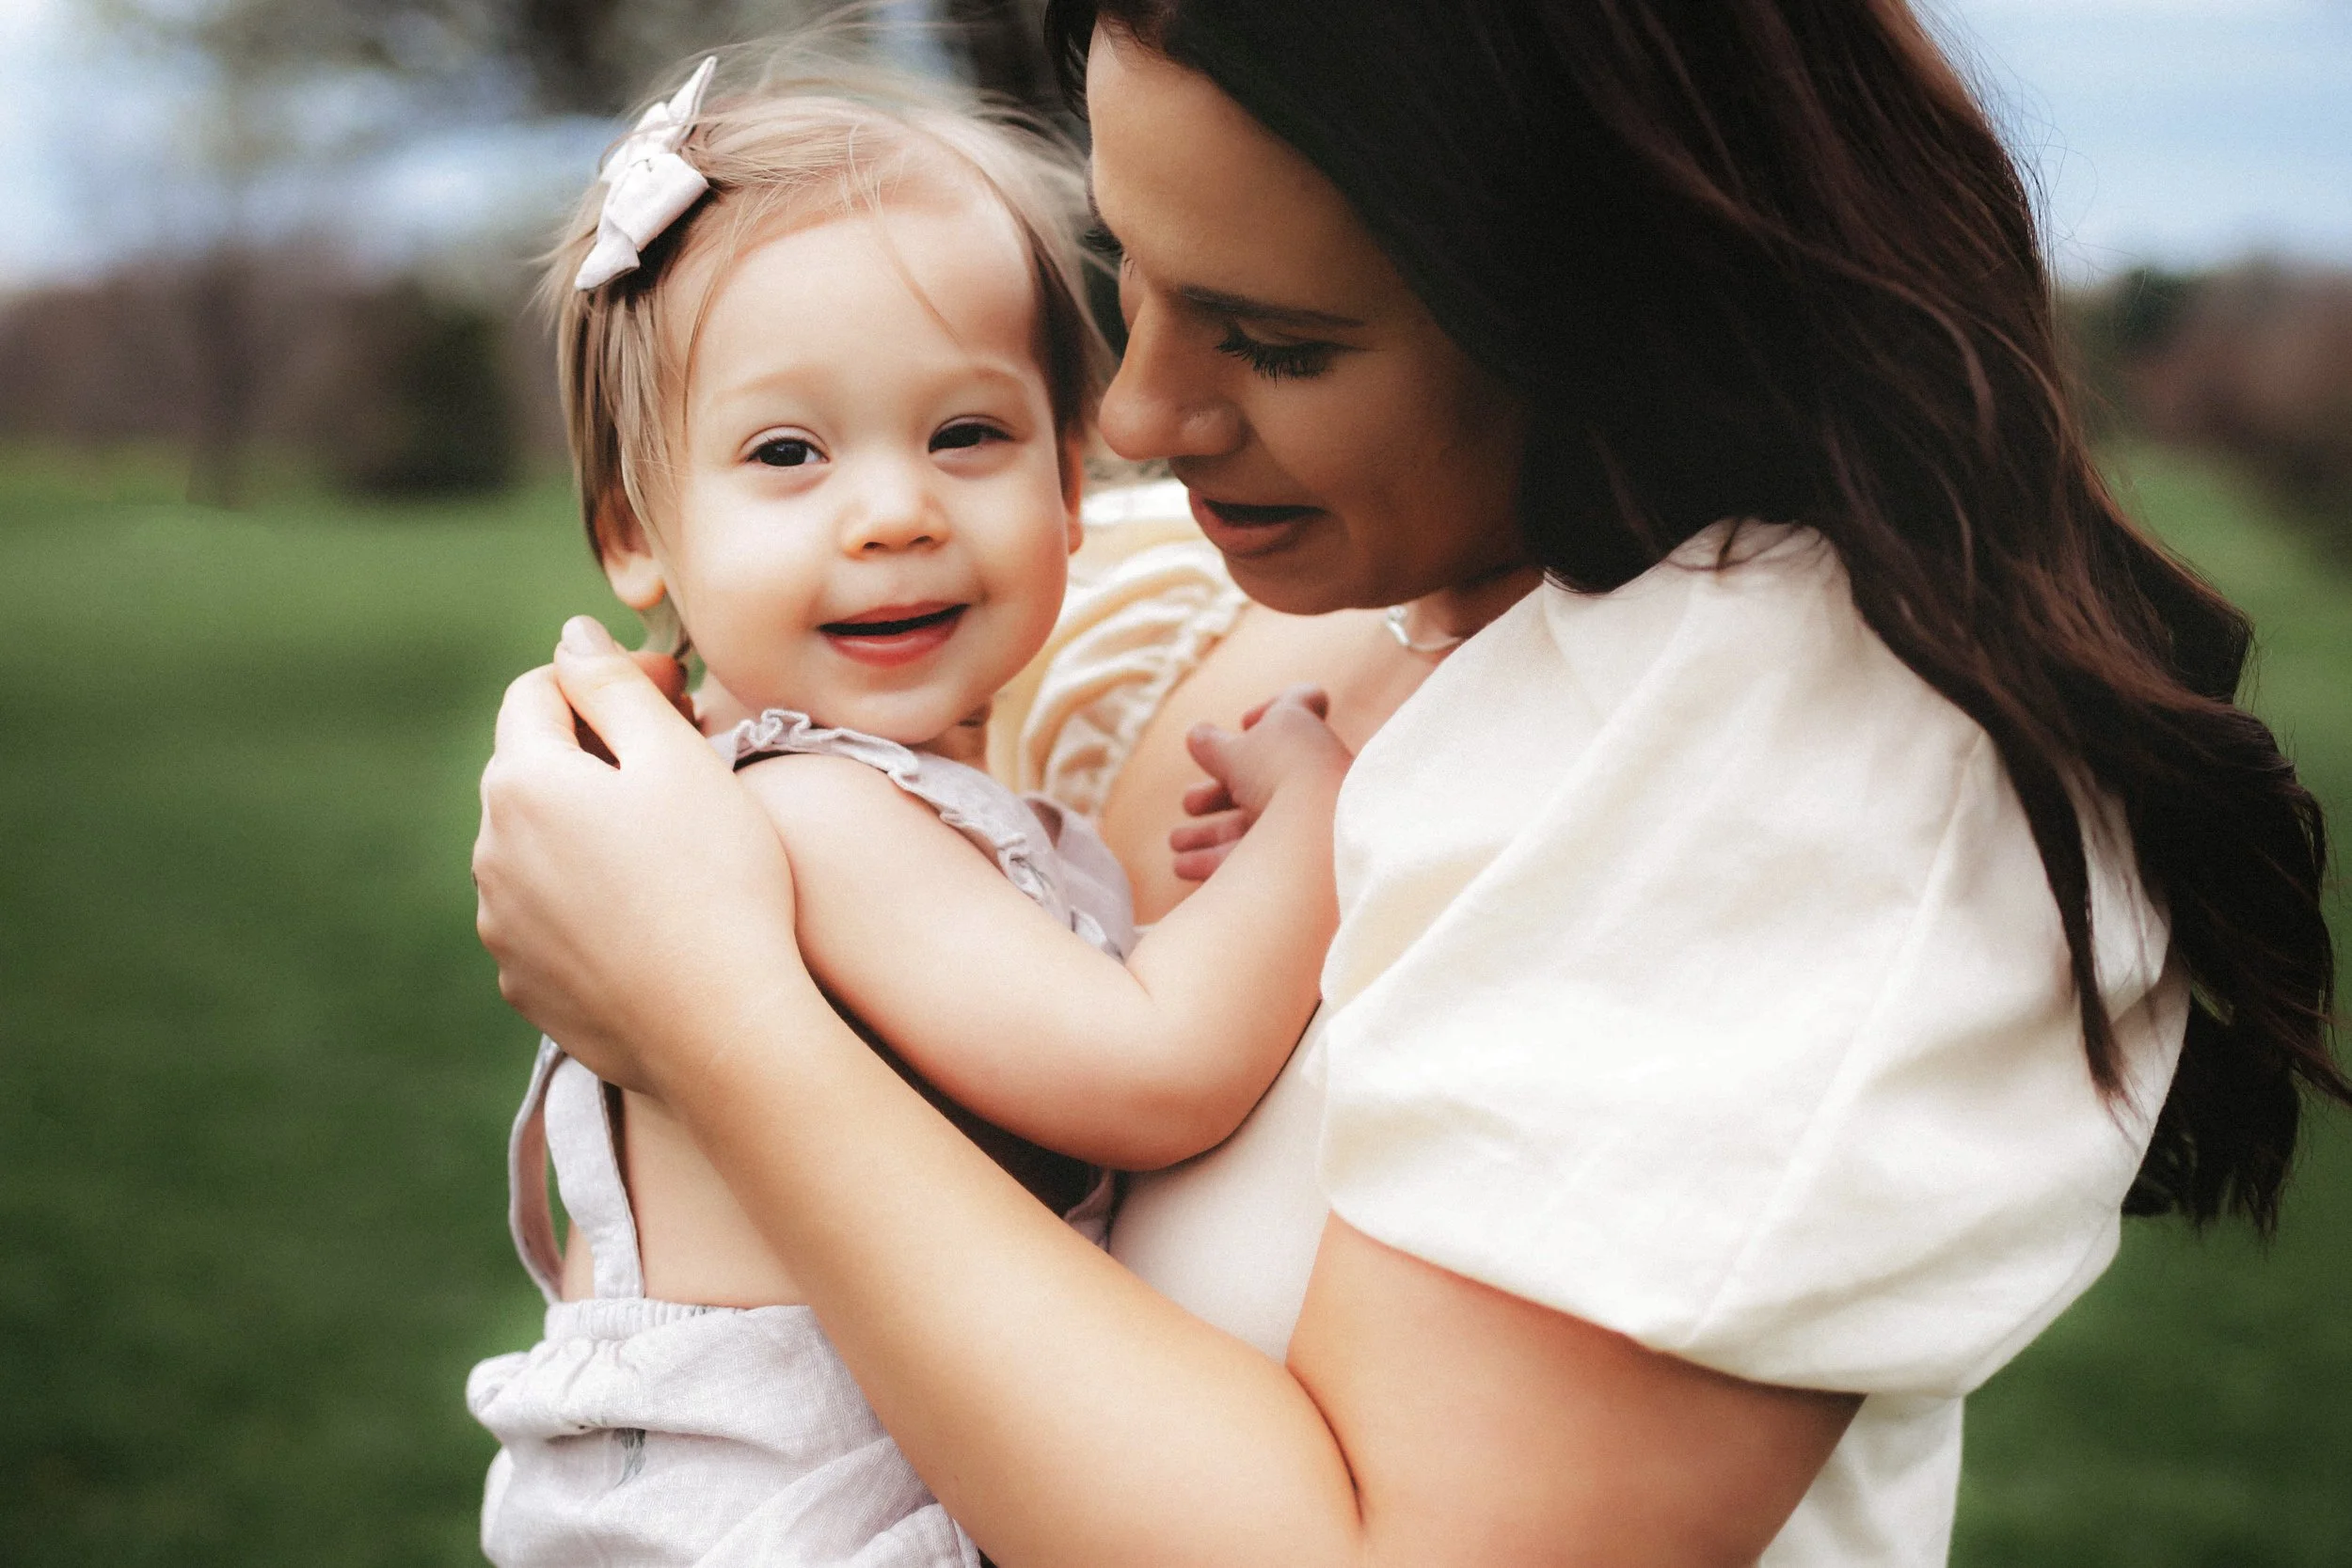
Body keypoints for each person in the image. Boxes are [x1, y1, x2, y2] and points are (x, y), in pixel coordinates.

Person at [471, 3, 2349, 1563]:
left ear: (1600, 314)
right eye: (1137, 285)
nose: (1132, 419)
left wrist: (711, 1009)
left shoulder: (1791, 763)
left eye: (1277, 339)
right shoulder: (1157, 600)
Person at [465, 51, 1352, 1568]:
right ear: (634, 526)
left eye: (966, 436)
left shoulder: (905, 806)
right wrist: (1318, 823)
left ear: (1073, 487)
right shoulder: (807, 812)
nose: (895, 512)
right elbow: (1158, 1067)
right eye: (789, 454)